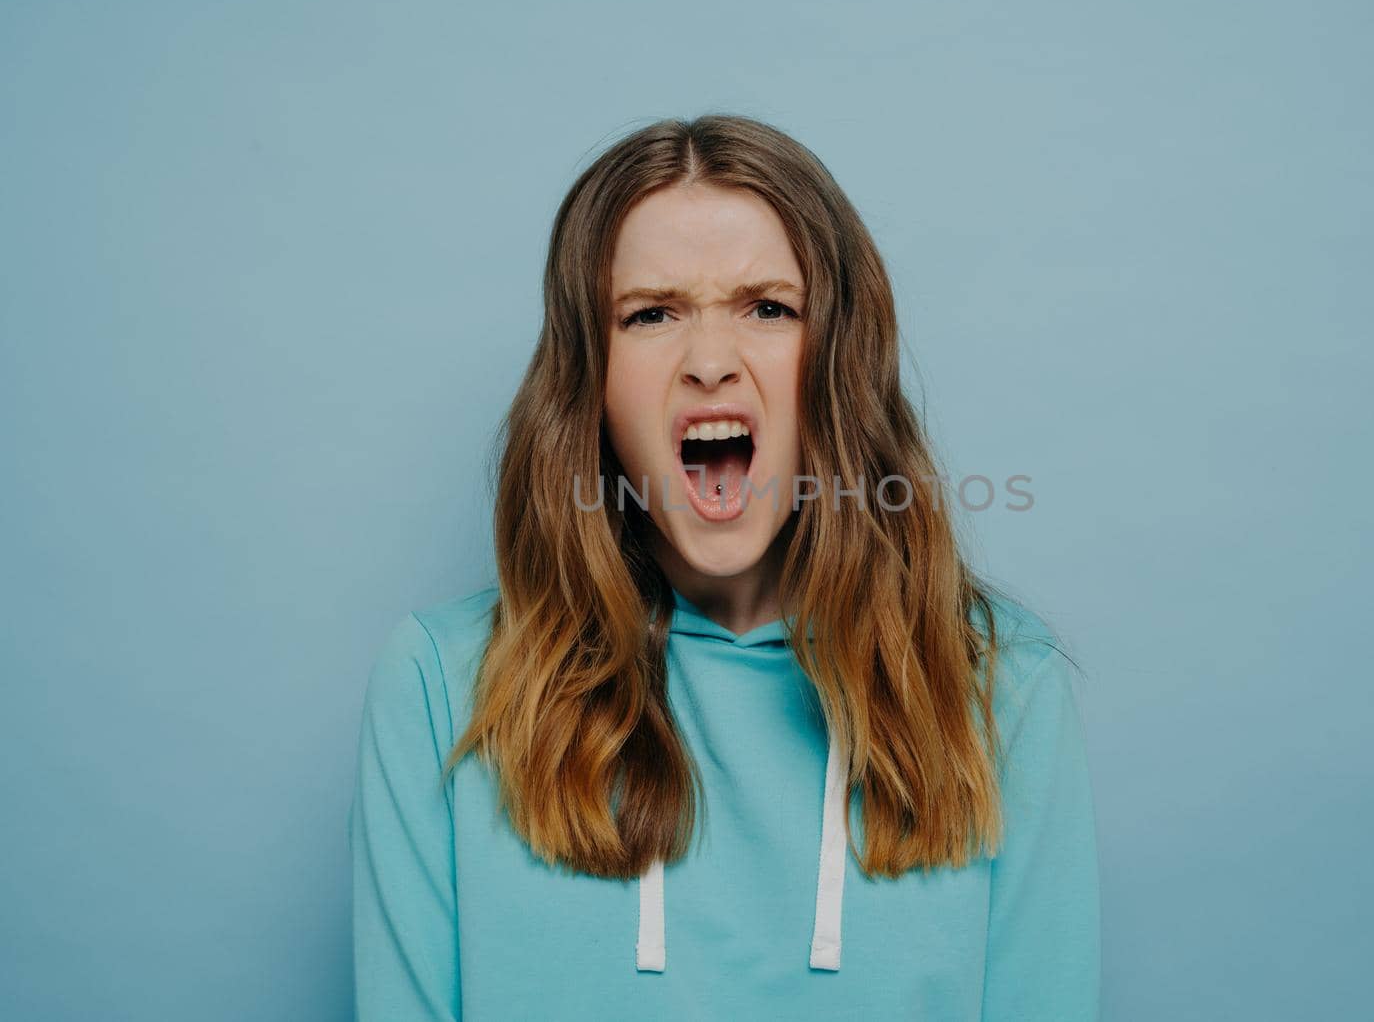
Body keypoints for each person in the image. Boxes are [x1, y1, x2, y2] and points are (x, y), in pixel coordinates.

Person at [349, 114, 1100, 1020]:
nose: (710, 362)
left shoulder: (1002, 688)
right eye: (651, 313)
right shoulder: (441, 688)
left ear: (840, 367)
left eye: (769, 308)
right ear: (589, 383)